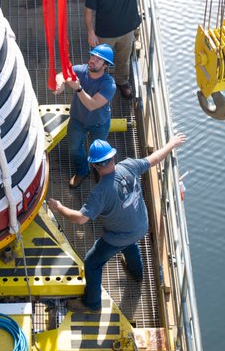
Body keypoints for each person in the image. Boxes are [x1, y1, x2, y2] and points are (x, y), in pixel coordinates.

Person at [47, 132, 186, 313]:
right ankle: (137, 274)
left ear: (94, 165)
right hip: (140, 225)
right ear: (113, 157)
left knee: (92, 263)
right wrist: (171, 144)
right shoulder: (128, 166)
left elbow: (81, 218)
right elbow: (153, 159)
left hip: (118, 236)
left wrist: (58, 207)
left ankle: (92, 304)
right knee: (130, 243)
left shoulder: (99, 193)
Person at [84, 0, 157, 99]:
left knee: (124, 59)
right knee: (99, 60)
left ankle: (122, 82)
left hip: (126, 32)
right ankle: (96, 84)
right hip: (105, 34)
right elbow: (89, 10)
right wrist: (91, 32)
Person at [57, 44, 119, 189]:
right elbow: (63, 74)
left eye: (99, 60)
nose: (93, 60)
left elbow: (92, 105)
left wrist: (78, 88)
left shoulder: (109, 85)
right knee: (74, 148)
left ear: (105, 66)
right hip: (77, 120)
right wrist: (60, 82)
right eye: (93, 57)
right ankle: (82, 171)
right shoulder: (80, 70)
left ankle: (100, 170)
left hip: (99, 123)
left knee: (100, 150)